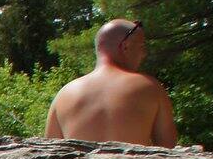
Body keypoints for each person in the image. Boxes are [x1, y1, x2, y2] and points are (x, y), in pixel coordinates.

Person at [46, 19, 178, 147]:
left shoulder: (64, 95)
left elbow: (50, 155)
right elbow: (169, 150)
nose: (143, 54)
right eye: (141, 47)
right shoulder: (150, 88)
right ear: (125, 46)